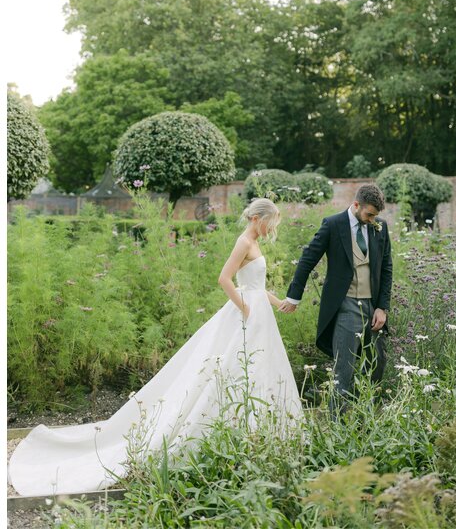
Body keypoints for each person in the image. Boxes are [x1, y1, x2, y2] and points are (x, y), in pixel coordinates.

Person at [8, 198, 302, 497]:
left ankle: (259, 431)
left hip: (258, 314)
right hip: (246, 315)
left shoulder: (254, 243)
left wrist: (279, 303)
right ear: (256, 218)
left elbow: (254, 285)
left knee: (258, 369)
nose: (272, 228)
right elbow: (224, 280)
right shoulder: (243, 242)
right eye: (270, 222)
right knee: (229, 368)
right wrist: (247, 311)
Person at [279, 184, 392, 414]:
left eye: (375, 216)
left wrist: (382, 306)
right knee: (345, 370)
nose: (372, 220)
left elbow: (387, 267)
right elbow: (307, 259)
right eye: (369, 214)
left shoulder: (380, 227)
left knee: (377, 364)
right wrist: (294, 296)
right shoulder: (333, 224)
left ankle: (365, 418)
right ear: (356, 204)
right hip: (346, 305)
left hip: (373, 308)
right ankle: (338, 429)